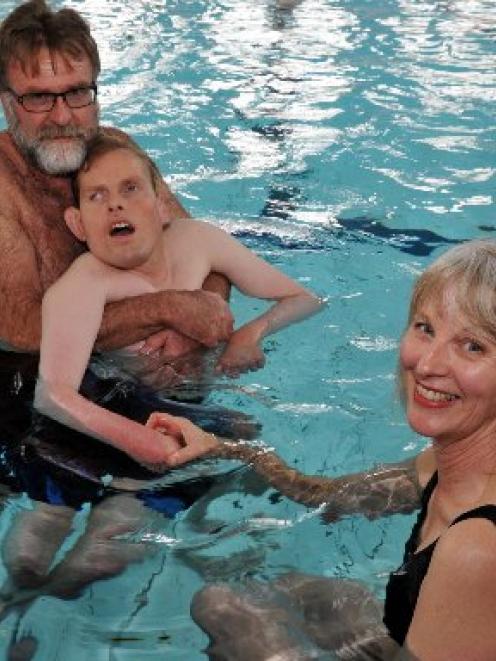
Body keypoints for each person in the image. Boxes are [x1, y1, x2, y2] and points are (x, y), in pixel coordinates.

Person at [147, 239, 496, 660]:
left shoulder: (476, 549)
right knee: (282, 596)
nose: (427, 364)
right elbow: (328, 497)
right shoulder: (438, 470)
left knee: (228, 610)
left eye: (472, 346)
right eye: (426, 328)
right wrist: (231, 450)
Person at [33, 132, 323, 467]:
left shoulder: (196, 241)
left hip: (195, 398)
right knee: (120, 515)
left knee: (250, 438)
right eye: (97, 196)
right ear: (78, 224)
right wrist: (145, 442)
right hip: (121, 402)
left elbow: (305, 298)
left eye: (130, 188)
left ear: (161, 207)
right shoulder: (83, 284)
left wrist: (250, 334)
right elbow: (52, 394)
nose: (115, 204)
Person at [0, 0, 233, 363]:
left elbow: (210, 255)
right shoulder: (4, 185)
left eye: (77, 92)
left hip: (141, 364)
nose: (62, 117)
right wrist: (165, 309)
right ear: (8, 104)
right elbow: (22, 330)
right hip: (29, 383)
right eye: (39, 97)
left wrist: (193, 326)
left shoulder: (116, 151)